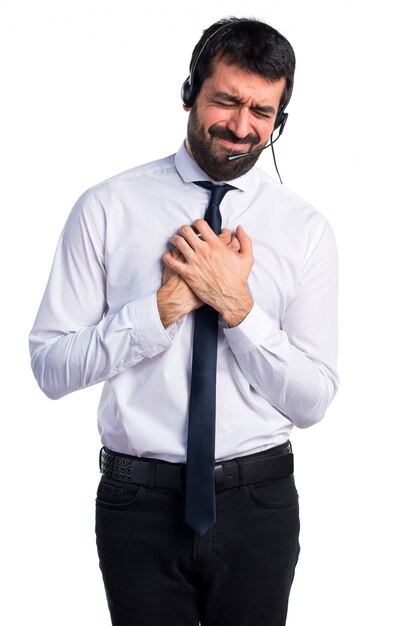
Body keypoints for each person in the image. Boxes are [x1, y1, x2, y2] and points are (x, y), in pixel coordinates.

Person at [29, 16, 338, 626]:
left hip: (260, 502)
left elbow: (313, 400)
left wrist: (237, 307)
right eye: (225, 101)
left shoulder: (306, 231)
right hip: (136, 502)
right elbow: (50, 367)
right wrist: (162, 309)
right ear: (190, 91)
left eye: (263, 111)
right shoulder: (107, 208)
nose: (242, 127)